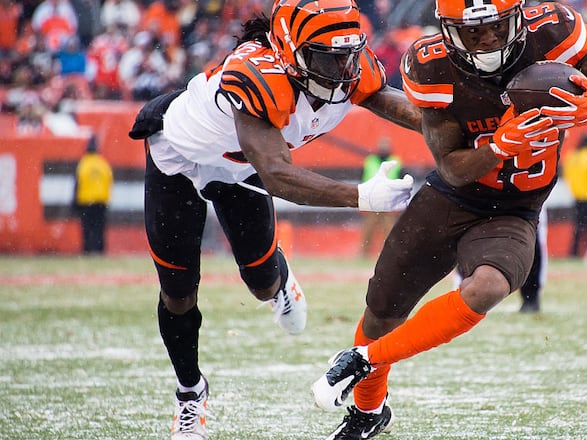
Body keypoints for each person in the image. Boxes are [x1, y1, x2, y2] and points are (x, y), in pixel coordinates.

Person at [310, 1, 587, 438]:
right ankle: (369, 412)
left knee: (487, 286)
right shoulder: (431, 67)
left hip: (515, 208)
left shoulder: (552, 33)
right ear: (448, 30)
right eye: (474, 31)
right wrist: (498, 145)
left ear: (520, 17)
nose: (488, 38)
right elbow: (451, 166)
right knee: (380, 315)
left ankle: (364, 359)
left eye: (497, 25)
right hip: (452, 195)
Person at [127, 1, 422, 439]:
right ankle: (190, 393)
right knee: (178, 293)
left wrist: (459, 129)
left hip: (238, 169)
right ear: (288, 50)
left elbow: (387, 99)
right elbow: (278, 175)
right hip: (178, 160)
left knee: (262, 282)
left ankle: (279, 282)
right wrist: (362, 196)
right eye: (326, 55)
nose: (341, 68)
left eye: (347, 53)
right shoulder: (256, 74)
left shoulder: (344, 65)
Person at [359, 137, 402, 257]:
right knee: (369, 228)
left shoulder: (395, 161)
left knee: (388, 229)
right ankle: (364, 254)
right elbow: (363, 178)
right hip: (372, 199)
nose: (383, 148)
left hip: (388, 199)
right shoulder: (370, 160)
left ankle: (389, 254)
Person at [73, 135, 113, 254]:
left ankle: (88, 249)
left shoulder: (83, 164)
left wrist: (75, 202)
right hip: (100, 201)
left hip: (86, 201)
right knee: (99, 228)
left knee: (87, 228)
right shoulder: (103, 164)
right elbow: (109, 182)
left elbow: (77, 184)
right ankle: (99, 250)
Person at [562, 132, 587, 257]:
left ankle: (574, 252)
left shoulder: (571, 156)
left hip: (577, 196)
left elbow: (567, 176)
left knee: (578, 227)